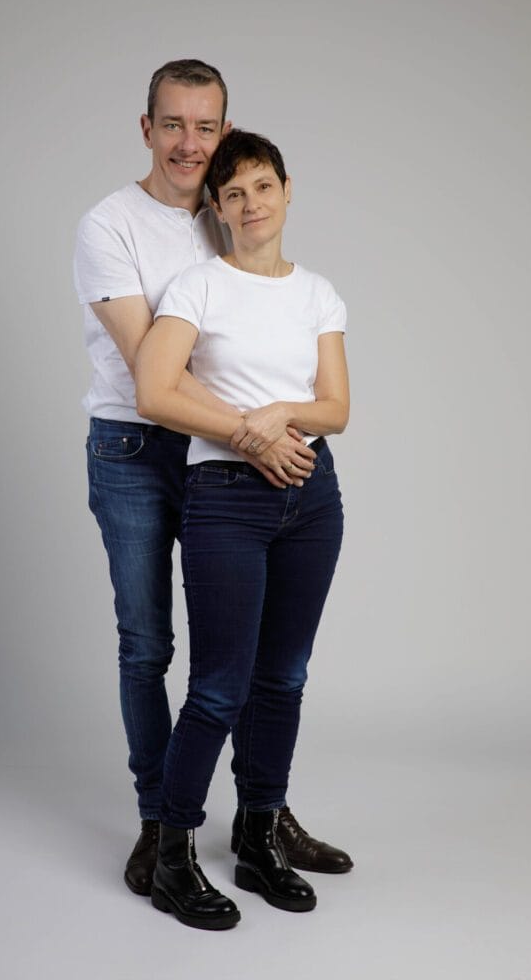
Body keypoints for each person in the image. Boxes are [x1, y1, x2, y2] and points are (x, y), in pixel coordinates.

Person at [74, 61, 350, 898]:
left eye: (206, 127)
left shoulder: (225, 209)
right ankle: (163, 827)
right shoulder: (110, 225)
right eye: (173, 125)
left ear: (224, 134)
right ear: (147, 128)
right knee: (150, 644)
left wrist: (266, 431)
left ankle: (260, 817)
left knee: (267, 661)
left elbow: (295, 355)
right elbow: (149, 368)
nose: (189, 142)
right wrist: (253, 435)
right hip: (137, 446)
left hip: (230, 455)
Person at [136, 129, 350, 930]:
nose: (250, 204)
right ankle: (173, 853)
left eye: (262, 187)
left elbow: (334, 409)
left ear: (286, 191)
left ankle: (259, 835)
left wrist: (279, 414)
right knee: (219, 686)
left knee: (282, 678)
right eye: (232, 195)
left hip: (310, 495)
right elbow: (157, 390)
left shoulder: (317, 293)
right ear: (218, 212)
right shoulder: (198, 286)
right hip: (224, 492)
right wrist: (248, 435)